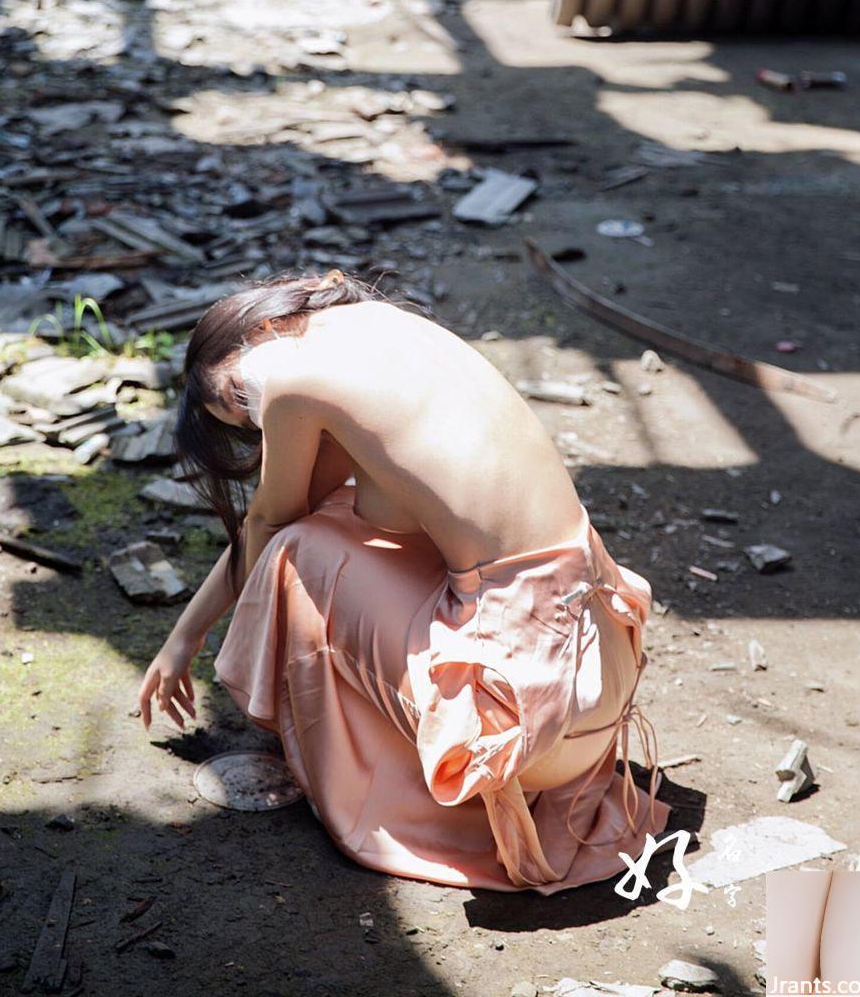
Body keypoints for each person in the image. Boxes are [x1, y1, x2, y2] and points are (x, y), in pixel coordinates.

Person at [139, 268, 671, 892]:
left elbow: (271, 525)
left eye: (235, 398)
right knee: (322, 529)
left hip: (520, 737)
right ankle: (390, 758)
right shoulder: (390, 331)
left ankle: (377, 793)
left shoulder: (286, 376)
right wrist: (184, 637)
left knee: (297, 552)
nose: (255, 417)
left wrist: (188, 638)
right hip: (596, 690)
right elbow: (310, 512)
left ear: (262, 331)